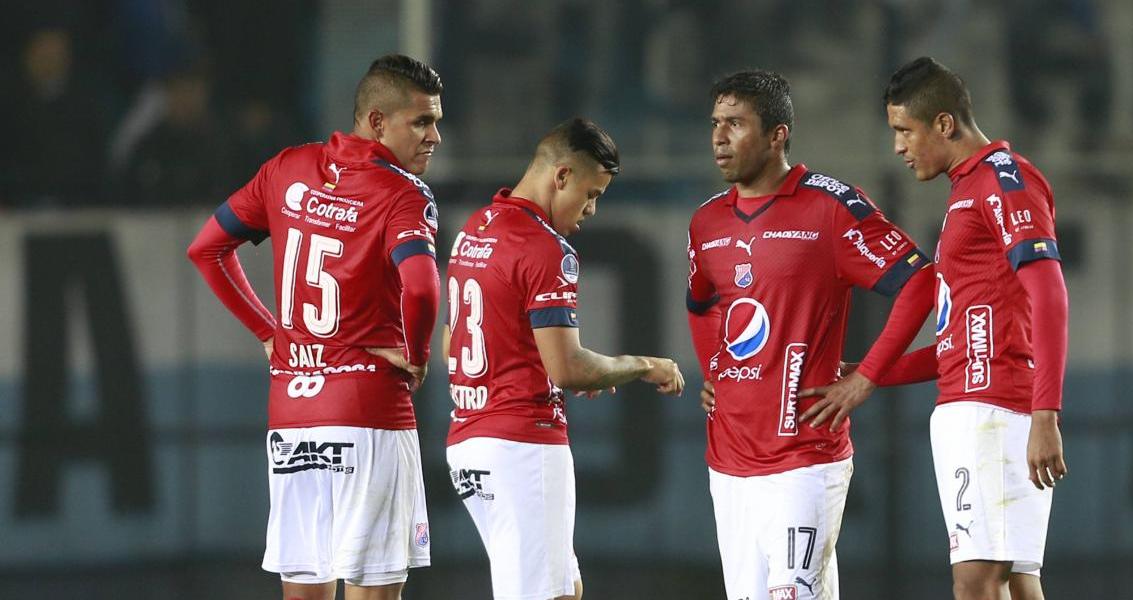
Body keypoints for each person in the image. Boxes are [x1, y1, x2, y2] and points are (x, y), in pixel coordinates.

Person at [800, 56, 1070, 600]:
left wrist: (1046, 413)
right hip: (983, 405)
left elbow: (1050, 294)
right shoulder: (969, 189)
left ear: (944, 124)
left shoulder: (1003, 181)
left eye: (905, 130)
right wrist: (871, 373)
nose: (898, 147)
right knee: (1019, 582)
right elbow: (958, 340)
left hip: (991, 411)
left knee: (974, 583)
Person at [186, 54, 444, 600]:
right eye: (421, 121)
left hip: (293, 417)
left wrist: (267, 331)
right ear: (377, 122)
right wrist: (418, 354)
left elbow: (207, 249)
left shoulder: (287, 167)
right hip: (369, 414)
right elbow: (422, 289)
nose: (434, 136)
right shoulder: (403, 194)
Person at [686, 70, 934, 600]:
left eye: (735, 123)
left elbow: (920, 282)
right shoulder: (706, 222)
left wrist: (866, 377)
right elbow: (701, 303)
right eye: (715, 123)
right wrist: (715, 370)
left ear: (777, 135)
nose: (719, 137)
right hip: (728, 462)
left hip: (804, 455)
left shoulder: (831, 207)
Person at [442, 117, 684, 600]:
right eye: (591, 194)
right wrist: (643, 365)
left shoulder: (475, 228)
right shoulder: (546, 248)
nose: (592, 209)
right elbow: (569, 368)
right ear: (562, 176)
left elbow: (453, 342)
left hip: (469, 442)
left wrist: (557, 367)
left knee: (566, 587)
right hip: (522, 446)